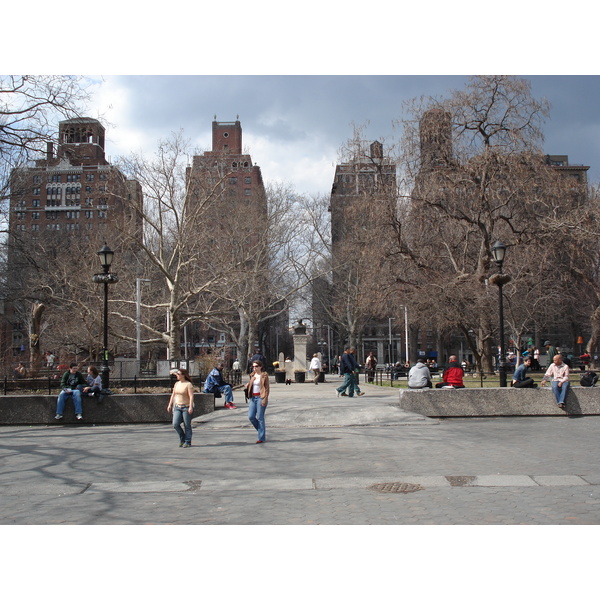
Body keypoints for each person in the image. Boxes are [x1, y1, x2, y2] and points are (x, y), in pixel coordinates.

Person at [167, 368, 195, 447]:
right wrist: (170, 404)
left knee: (187, 425)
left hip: (186, 407)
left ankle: (187, 441)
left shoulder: (188, 384)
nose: (177, 375)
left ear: (183, 375)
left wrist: (190, 406)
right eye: (177, 374)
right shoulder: (177, 384)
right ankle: (182, 438)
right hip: (177, 407)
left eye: (178, 374)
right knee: (175, 424)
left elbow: (191, 396)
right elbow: (173, 395)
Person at [246, 359, 269, 443]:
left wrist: (265, 399)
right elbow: (251, 386)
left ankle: (261, 438)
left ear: (260, 367)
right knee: (251, 416)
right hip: (253, 398)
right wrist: (248, 385)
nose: (254, 368)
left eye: (256, 366)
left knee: (260, 418)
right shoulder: (252, 375)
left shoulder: (264, 376)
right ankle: (261, 431)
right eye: (253, 366)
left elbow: (266, 389)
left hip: (260, 397)